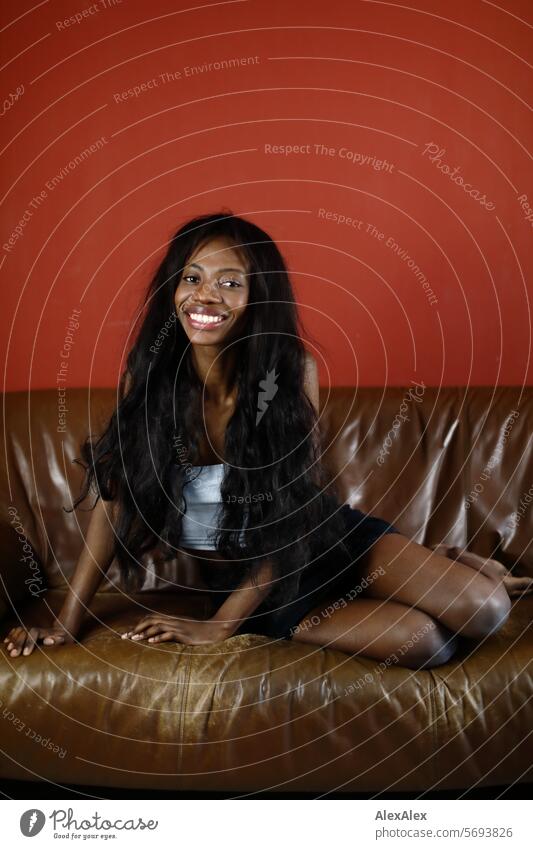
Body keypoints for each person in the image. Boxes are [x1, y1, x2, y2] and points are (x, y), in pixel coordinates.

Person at [4, 212, 532, 669]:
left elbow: (289, 516)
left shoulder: (292, 373)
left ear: (259, 299)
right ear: (172, 289)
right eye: (192, 277)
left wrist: (222, 628)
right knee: (425, 644)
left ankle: (455, 567)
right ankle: (441, 564)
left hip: (316, 541)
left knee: (483, 611)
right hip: (255, 586)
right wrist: (67, 623)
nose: (206, 294)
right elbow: (110, 504)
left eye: (231, 282)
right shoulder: (145, 382)